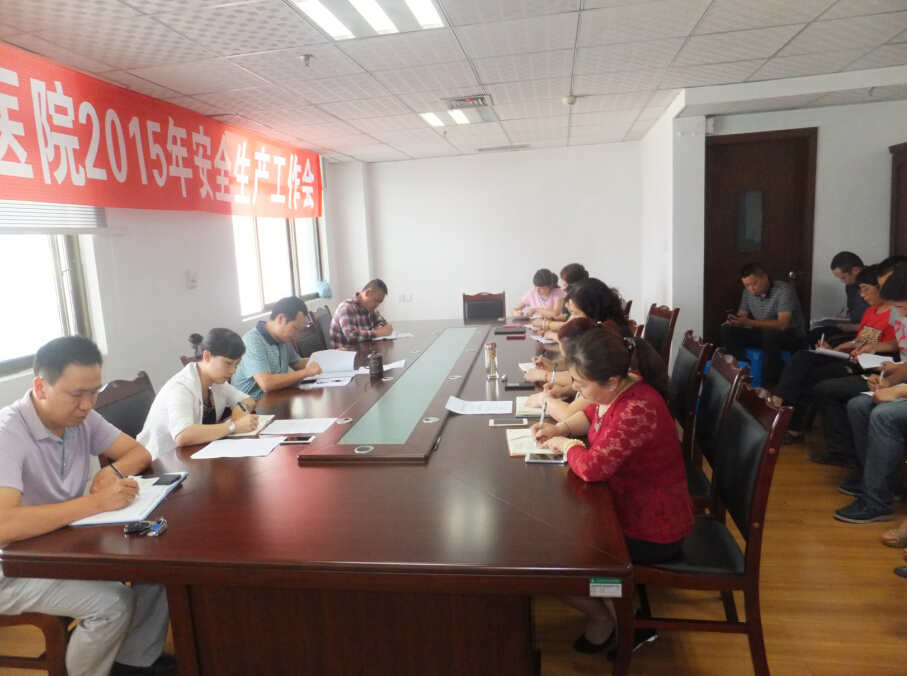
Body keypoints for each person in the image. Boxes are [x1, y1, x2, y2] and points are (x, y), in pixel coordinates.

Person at [0, 336, 174, 676]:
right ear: (40, 387)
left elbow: (139, 452)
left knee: (160, 569)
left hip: (60, 544)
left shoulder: (81, 419)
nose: (87, 404)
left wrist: (113, 471)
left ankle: (132, 664)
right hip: (10, 568)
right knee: (112, 604)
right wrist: (94, 503)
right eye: (77, 394)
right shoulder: (7, 433)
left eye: (94, 392)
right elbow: (4, 525)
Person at [532, 327, 694, 655]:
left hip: (653, 527)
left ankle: (620, 620)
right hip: (626, 501)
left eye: (581, 385)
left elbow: (592, 469)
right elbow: (590, 414)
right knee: (554, 539)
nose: (576, 390)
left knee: (553, 559)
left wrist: (566, 445)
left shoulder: (638, 408)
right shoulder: (621, 386)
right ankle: (612, 614)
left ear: (611, 382)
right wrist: (560, 427)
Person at [772, 265, 896, 445]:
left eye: (866, 289)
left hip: (866, 365)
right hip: (852, 357)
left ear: (881, 287)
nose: (863, 296)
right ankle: (779, 400)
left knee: (812, 375)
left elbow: (892, 348)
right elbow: (860, 339)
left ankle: (790, 422)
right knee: (802, 356)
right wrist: (838, 347)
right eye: (860, 290)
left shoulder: (895, 314)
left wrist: (863, 347)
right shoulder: (871, 311)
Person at [810, 256, 907, 466]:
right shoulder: (895, 309)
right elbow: (896, 344)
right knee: (811, 368)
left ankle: (865, 469)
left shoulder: (897, 307)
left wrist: (895, 387)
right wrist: (873, 349)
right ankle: (861, 466)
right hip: (885, 369)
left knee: (872, 410)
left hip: (884, 369)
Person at [834, 263, 907, 524]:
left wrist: (897, 392)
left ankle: (876, 501)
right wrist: (887, 381)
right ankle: (885, 484)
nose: (902, 314)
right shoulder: (903, 316)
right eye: (898, 308)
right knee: (858, 405)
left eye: (905, 308)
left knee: (884, 415)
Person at [139, 329, 260, 459]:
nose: (233, 371)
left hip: (195, 454)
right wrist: (233, 427)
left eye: (237, 364)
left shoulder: (216, 381)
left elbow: (247, 400)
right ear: (207, 356)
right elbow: (182, 435)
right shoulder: (181, 386)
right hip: (163, 460)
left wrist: (240, 409)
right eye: (229, 363)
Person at [721, 262, 807, 386]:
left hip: (791, 335)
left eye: (754, 284)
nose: (751, 288)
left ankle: (769, 384)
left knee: (771, 335)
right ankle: (738, 374)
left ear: (764, 277)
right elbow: (742, 315)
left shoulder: (783, 291)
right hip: (764, 332)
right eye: (747, 285)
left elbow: (782, 324)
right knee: (727, 330)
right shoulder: (748, 293)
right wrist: (736, 321)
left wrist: (748, 322)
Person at [232, 296, 322, 399]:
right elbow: (266, 383)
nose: (297, 335)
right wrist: (306, 372)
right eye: (295, 328)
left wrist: (329, 358)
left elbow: (299, 363)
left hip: (275, 399)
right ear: (281, 319)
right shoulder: (252, 341)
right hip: (253, 405)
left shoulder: (283, 340)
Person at [523, 317, 599, 422]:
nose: (575, 385)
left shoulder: (597, 378)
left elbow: (567, 415)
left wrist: (542, 398)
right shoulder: (593, 366)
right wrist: (564, 391)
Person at [808, 252, 868, 344]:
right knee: (815, 334)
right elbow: (852, 310)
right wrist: (842, 319)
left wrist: (854, 327)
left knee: (829, 341)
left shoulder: (873, 284)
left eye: (843, 278)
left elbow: (880, 320)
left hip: (865, 330)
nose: (842, 281)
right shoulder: (850, 286)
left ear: (855, 270)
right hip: (852, 325)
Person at [329, 279, 394, 348]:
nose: (377, 305)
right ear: (368, 293)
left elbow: (382, 321)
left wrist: (379, 328)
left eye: (379, 302)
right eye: (376, 300)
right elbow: (351, 335)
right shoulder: (346, 308)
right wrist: (378, 333)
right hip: (347, 353)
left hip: (363, 350)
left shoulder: (370, 308)